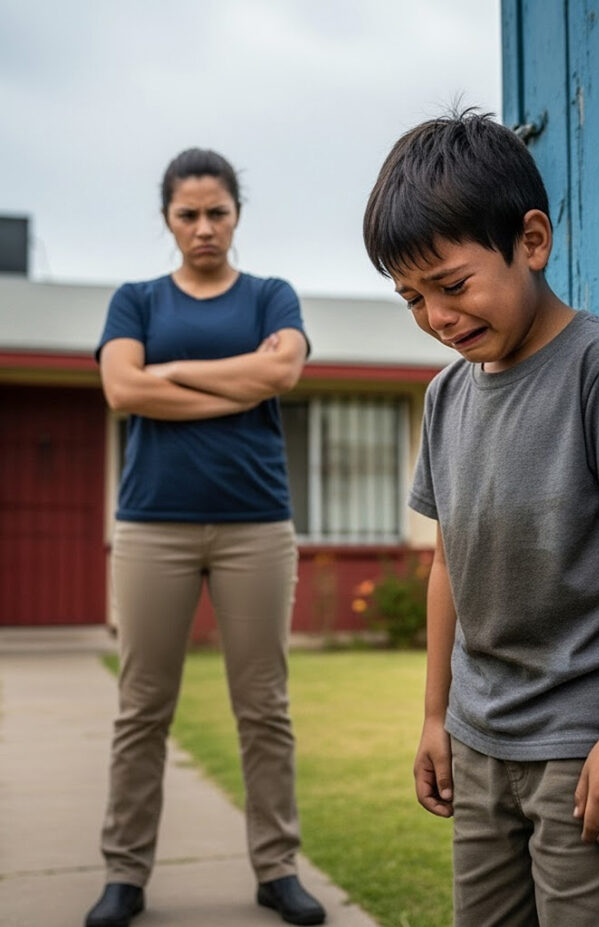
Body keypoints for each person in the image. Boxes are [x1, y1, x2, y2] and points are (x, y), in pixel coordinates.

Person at [363, 110, 599, 926]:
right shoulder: (444, 397)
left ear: (531, 241)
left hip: (583, 744)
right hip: (477, 741)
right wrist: (434, 716)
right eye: (412, 298)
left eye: (452, 285)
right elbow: (448, 563)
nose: (437, 317)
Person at [85, 148, 325, 927]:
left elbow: (281, 375)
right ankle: (124, 874)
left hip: (256, 524)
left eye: (217, 212)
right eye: (187, 214)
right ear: (167, 218)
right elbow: (121, 387)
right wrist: (232, 379)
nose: (203, 227)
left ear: (236, 215)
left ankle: (276, 868)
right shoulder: (136, 300)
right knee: (141, 708)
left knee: (264, 708)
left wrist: (170, 373)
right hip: (152, 525)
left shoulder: (270, 295)